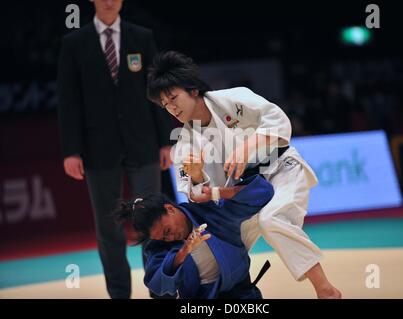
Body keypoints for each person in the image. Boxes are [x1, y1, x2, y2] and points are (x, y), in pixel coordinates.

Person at [146, 51, 342, 298]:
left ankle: (325, 290)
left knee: (272, 221)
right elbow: (193, 192)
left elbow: (280, 122)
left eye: (173, 98)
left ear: (192, 90)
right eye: (165, 105)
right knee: (213, 246)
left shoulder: (233, 99)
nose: (171, 108)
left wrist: (248, 147)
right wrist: (196, 177)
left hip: (280, 169)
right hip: (244, 197)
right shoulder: (184, 145)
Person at [57, 0, 173, 299]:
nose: (109, 1)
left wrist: (164, 141)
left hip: (143, 142)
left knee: (153, 220)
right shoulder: (74, 43)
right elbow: (69, 102)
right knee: (109, 228)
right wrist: (71, 150)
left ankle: (159, 289)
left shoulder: (142, 37)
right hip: (98, 149)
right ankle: (119, 294)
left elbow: (157, 90)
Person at [114, 174, 274, 299]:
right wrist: (183, 253)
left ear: (169, 209)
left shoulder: (209, 211)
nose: (169, 238)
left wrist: (218, 192)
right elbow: (157, 285)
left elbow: (264, 192)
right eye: (163, 238)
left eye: (167, 231)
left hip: (242, 294)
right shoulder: (159, 248)